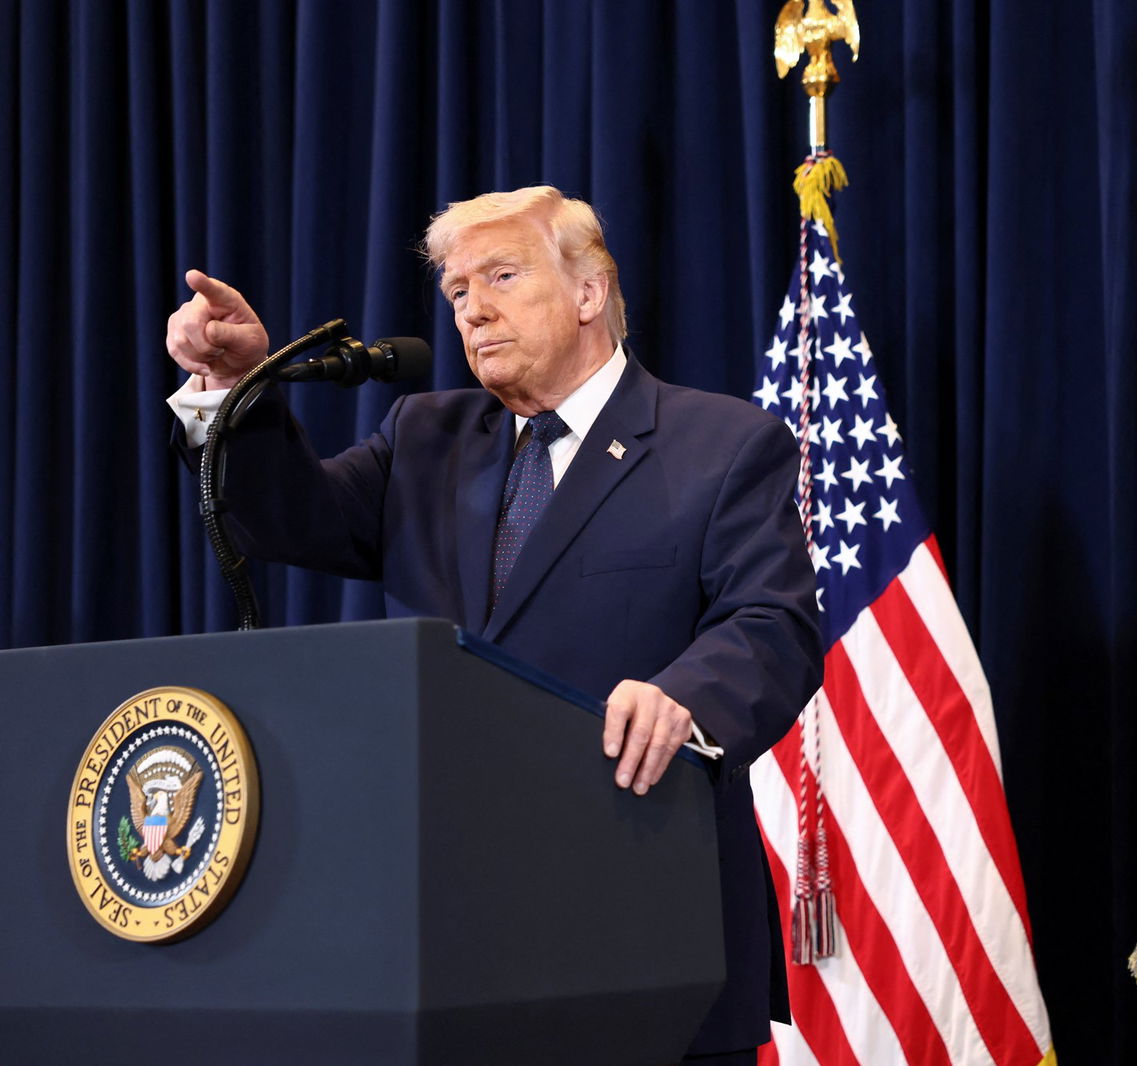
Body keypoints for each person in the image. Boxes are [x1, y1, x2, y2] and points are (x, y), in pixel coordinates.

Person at [164, 186, 823, 1063]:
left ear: (589, 292)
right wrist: (233, 386)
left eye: (502, 276)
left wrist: (683, 700)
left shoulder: (723, 444)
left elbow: (772, 621)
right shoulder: (424, 436)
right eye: (458, 292)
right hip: (451, 934)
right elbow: (289, 518)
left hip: (642, 917)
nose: (474, 308)